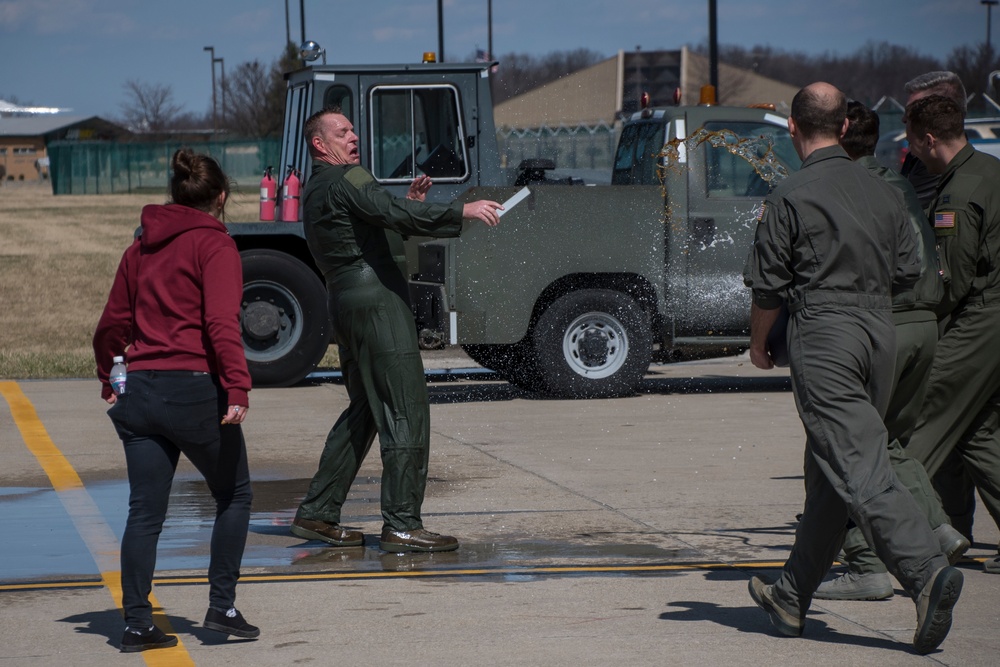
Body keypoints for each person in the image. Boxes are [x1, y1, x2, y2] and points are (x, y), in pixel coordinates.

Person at [743, 82, 962, 655]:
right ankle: (791, 595)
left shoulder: (789, 194)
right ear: (844, 127)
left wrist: (760, 344)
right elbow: (911, 270)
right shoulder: (884, 188)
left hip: (827, 335)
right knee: (831, 468)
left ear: (793, 128)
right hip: (880, 334)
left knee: (859, 468)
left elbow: (768, 287)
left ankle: (925, 573)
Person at [290, 106, 504, 553]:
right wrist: (460, 210)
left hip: (345, 305)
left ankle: (317, 512)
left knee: (366, 410)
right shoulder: (350, 178)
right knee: (406, 409)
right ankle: (403, 523)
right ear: (319, 144)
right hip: (378, 305)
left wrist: (411, 206)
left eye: (352, 129)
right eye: (342, 131)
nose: (353, 136)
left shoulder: (316, 188)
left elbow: (375, 228)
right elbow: (387, 214)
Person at [93, 149, 259, 652]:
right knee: (234, 494)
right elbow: (219, 323)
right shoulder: (216, 246)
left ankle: (137, 623)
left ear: (176, 193)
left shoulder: (138, 249)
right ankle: (221, 606)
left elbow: (110, 326)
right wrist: (237, 384)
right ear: (221, 196)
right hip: (193, 390)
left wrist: (109, 376)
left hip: (140, 392)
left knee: (145, 513)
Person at [812, 101, 968, 602]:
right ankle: (937, 528)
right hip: (924, 324)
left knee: (849, 453)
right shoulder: (897, 182)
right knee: (891, 442)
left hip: (884, 327)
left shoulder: (846, 189)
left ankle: (867, 567)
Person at [902, 94, 1000, 575]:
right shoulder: (989, 170)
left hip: (982, 321)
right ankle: (946, 529)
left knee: (918, 420)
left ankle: (889, 537)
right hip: (992, 319)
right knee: (979, 431)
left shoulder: (958, 193)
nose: (911, 150)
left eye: (912, 141)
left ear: (929, 138)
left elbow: (952, 282)